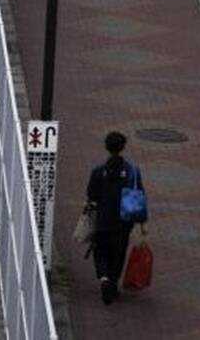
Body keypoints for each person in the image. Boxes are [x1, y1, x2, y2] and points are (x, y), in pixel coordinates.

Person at [86, 131, 146, 305]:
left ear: (106, 147)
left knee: (100, 251)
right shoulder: (132, 172)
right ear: (123, 147)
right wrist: (142, 223)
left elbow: (91, 195)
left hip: (103, 219)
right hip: (123, 222)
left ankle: (104, 278)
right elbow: (139, 196)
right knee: (118, 253)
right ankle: (113, 282)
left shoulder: (98, 172)